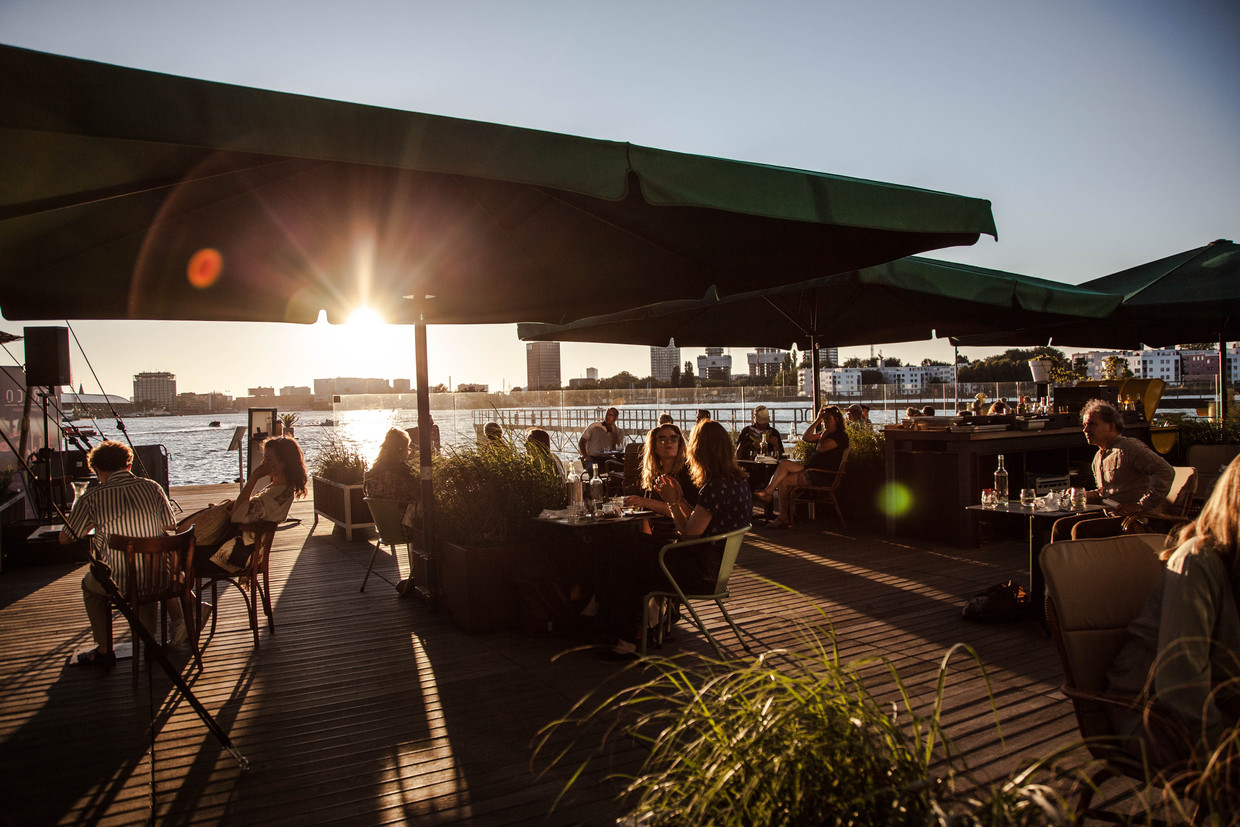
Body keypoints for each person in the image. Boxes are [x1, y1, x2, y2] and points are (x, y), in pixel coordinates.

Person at [1104, 455, 1240, 762]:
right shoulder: (1196, 563)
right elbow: (1181, 684)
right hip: (1159, 716)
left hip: (1219, 704)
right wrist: (1217, 757)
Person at [598, 420, 751, 657]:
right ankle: (629, 632)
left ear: (701, 450)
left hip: (698, 571)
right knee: (627, 558)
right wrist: (678, 499)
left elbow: (689, 533)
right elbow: (696, 519)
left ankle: (620, 635)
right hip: (715, 568)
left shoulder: (714, 487)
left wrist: (671, 501)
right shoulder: (738, 482)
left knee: (622, 554)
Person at [61, 441, 176, 668]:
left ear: (98, 471)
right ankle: (150, 642)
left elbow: (66, 538)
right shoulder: (152, 487)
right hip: (160, 577)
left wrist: (93, 522)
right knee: (146, 570)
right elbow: (169, 524)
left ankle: (104, 649)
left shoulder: (92, 498)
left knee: (90, 585)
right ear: (129, 463)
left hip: (119, 581)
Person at [1052, 400, 1175, 540]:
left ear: (1111, 426)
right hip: (1111, 514)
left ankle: (1085, 562)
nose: (1085, 430)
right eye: (1085, 425)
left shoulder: (1129, 448)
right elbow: (1105, 493)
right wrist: (1083, 495)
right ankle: (1055, 562)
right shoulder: (1099, 456)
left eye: (1092, 424)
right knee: (1061, 526)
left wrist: (1142, 505)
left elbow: (1165, 471)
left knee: (1081, 529)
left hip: (1137, 520)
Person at [194, 436, 308, 576]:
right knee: (180, 553)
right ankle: (186, 598)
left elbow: (238, 516)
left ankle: (183, 598)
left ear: (284, 463)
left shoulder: (279, 495)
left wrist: (254, 477)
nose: (263, 463)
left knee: (179, 555)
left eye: (268, 459)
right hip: (241, 549)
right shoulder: (275, 489)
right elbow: (245, 511)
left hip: (240, 556)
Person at [755, 404, 849, 529]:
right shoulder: (824, 434)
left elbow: (821, 448)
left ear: (837, 420)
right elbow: (806, 437)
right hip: (811, 469)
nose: (825, 422)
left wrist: (824, 434)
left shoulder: (840, 436)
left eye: (828, 419)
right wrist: (817, 420)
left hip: (822, 474)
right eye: (824, 419)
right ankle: (779, 510)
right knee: (783, 472)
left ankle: (772, 499)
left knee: (784, 472)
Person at [624, 423, 699, 540]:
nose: (669, 442)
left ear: (679, 444)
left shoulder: (688, 473)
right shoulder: (653, 474)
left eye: (673, 439)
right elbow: (646, 516)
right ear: (654, 447)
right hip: (657, 538)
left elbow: (690, 514)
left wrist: (645, 502)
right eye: (662, 439)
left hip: (679, 539)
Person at [366, 428, 421, 529]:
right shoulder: (404, 474)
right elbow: (419, 495)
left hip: (383, 528)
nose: (409, 452)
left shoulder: (373, 473)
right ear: (400, 450)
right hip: (404, 528)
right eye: (407, 449)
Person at [578, 406, 623, 475]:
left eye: (611, 415)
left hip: (608, 458)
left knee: (621, 465)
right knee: (592, 468)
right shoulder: (594, 426)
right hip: (592, 458)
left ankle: (614, 484)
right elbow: (581, 442)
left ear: (616, 418)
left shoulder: (619, 431)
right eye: (607, 414)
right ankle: (596, 484)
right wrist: (585, 456)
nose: (608, 416)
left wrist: (614, 434)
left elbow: (617, 449)